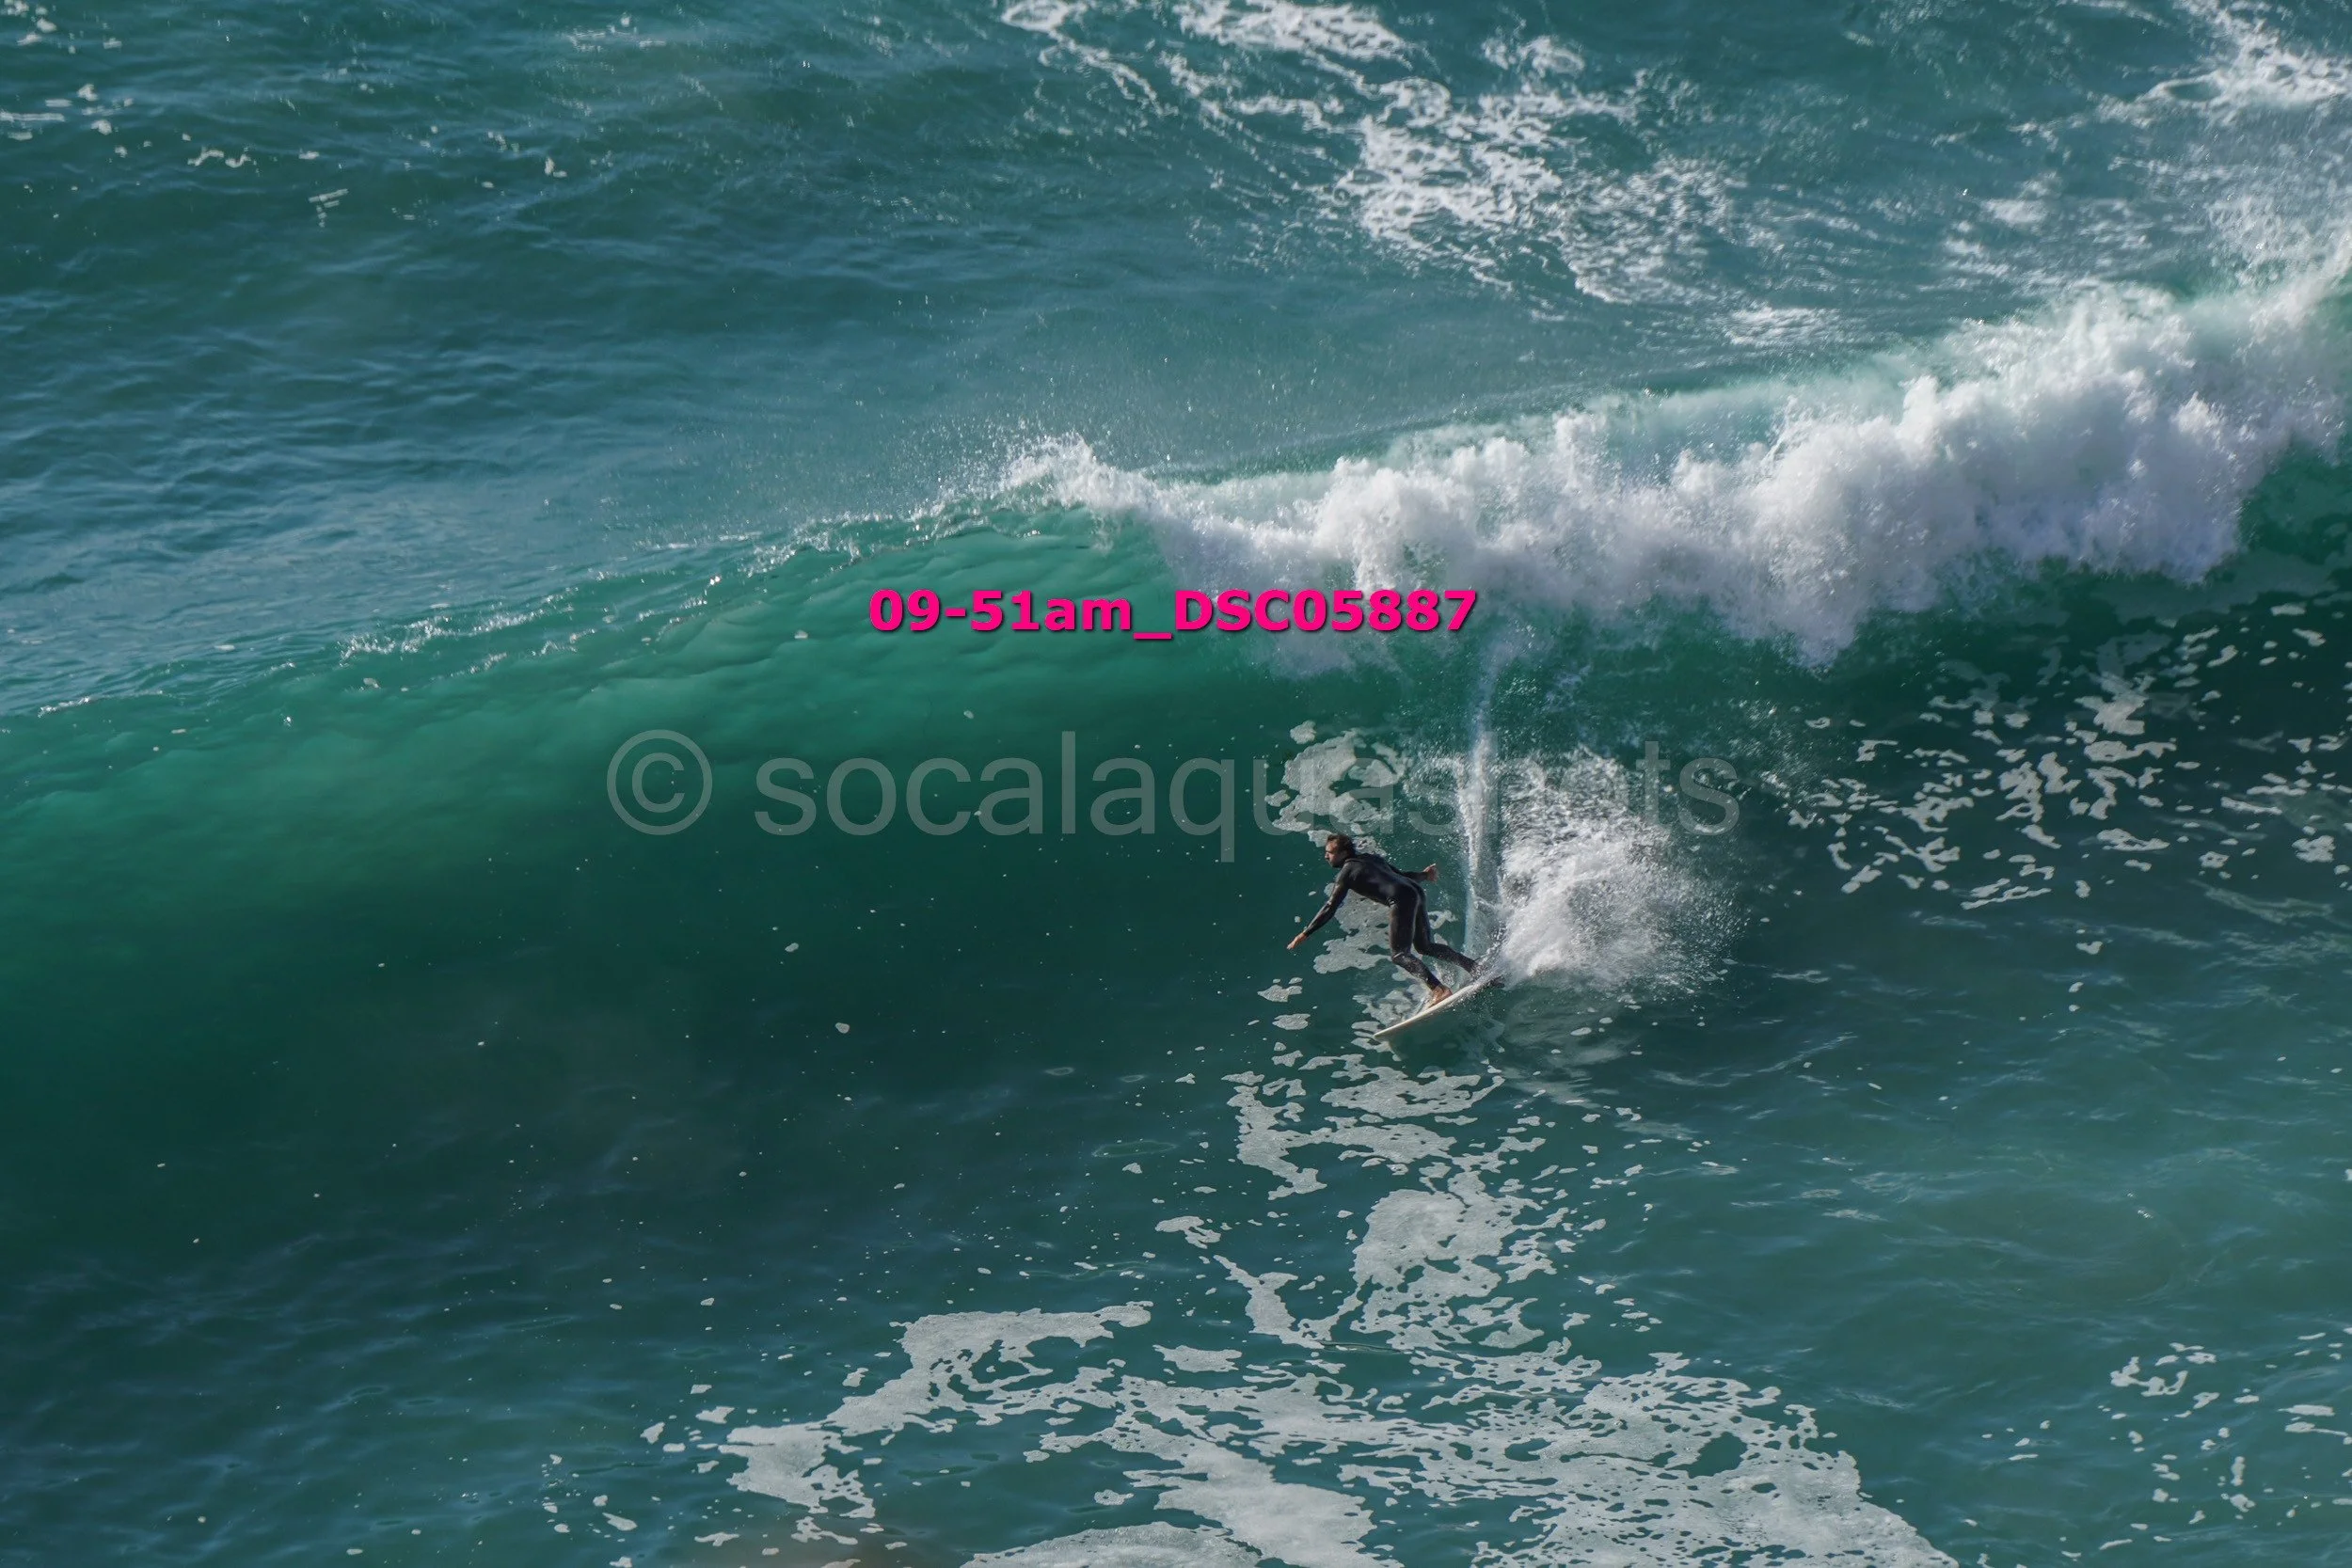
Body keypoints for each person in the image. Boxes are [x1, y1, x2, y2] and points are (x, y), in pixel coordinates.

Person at [1287, 832, 1480, 1006]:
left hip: (1401, 899)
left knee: (1399, 955)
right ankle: (1474, 967)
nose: (1326, 856)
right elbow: (1403, 876)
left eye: (1330, 852)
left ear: (1344, 853)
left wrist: (1306, 932)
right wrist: (1425, 875)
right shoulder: (1370, 858)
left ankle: (1439, 990)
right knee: (1425, 946)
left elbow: (1330, 907)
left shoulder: (1346, 873)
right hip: (1415, 891)